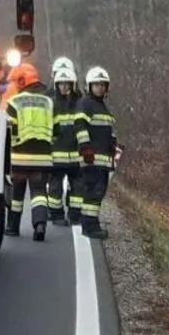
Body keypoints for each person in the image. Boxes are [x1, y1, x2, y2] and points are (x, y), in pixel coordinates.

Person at [4, 63, 55, 241]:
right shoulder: (48, 102)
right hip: (43, 157)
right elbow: (55, 128)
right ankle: (40, 225)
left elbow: (9, 131)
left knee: (17, 194)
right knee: (39, 193)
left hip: (19, 157)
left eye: (16, 83)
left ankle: (12, 226)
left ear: (22, 81)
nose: (14, 86)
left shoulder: (14, 102)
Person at [74, 66, 117, 239]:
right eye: (96, 85)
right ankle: (90, 227)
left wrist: (113, 146)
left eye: (102, 85)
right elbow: (80, 127)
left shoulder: (102, 107)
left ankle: (91, 223)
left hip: (103, 160)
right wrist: (85, 148)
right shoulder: (86, 104)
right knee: (93, 192)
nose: (100, 88)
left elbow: (108, 132)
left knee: (98, 193)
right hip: (92, 159)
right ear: (89, 86)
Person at [47, 66, 84, 226]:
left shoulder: (80, 103)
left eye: (67, 83)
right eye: (61, 84)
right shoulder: (51, 103)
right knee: (55, 188)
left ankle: (75, 215)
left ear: (73, 84)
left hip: (76, 154)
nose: (64, 86)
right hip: (57, 155)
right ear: (56, 85)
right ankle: (56, 215)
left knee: (78, 187)